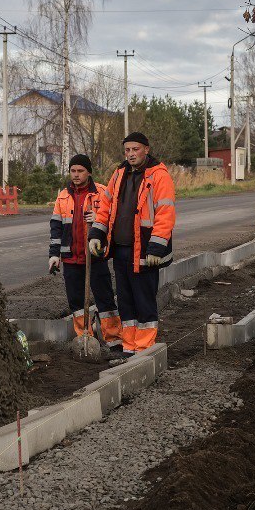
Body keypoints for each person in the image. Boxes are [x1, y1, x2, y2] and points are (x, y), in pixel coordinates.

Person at [89, 132, 175, 357]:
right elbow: (105, 206)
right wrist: (97, 233)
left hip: (145, 250)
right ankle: (129, 346)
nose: (131, 154)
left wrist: (157, 247)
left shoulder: (159, 175)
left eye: (135, 149)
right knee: (125, 300)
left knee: (143, 299)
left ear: (146, 149)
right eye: (127, 150)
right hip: (121, 249)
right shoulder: (119, 174)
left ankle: (145, 348)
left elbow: (165, 213)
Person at [49, 154, 122, 344]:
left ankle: (113, 340)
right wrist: (54, 255)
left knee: (105, 300)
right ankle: (85, 339)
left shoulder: (102, 193)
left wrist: (98, 218)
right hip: (71, 259)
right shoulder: (63, 196)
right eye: (73, 171)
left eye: (80, 171)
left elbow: (113, 219)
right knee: (77, 304)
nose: (76, 175)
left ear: (88, 172)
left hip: (95, 257)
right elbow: (56, 228)